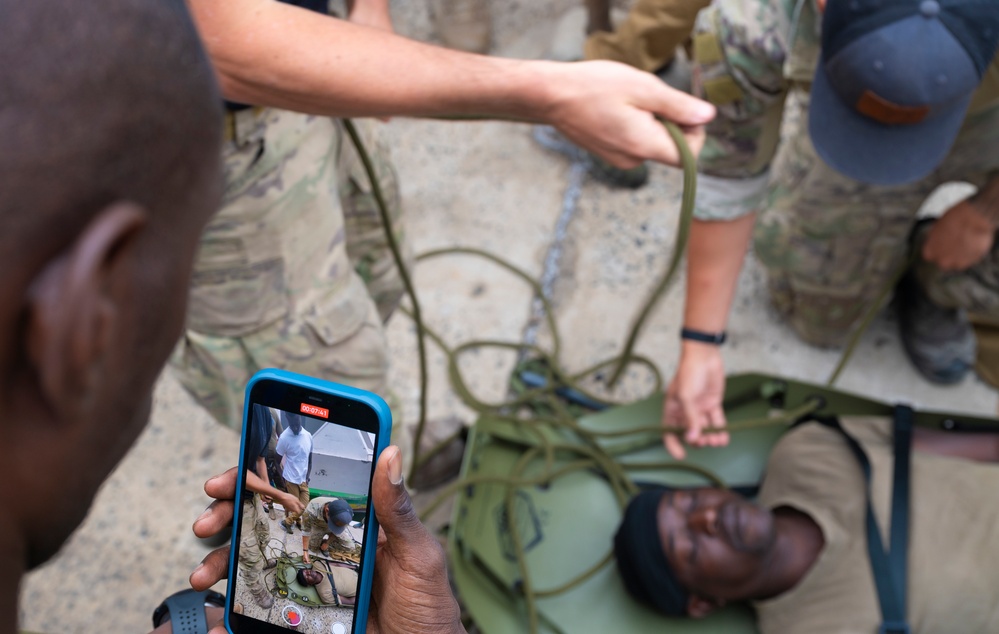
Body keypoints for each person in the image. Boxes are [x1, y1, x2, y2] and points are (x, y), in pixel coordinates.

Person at [172, 0, 717, 464]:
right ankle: (325, 533)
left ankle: (393, 449)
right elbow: (221, 41)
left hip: (330, 60)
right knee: (311, 386)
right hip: (210, 136)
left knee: (373, 281)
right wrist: (546, 94)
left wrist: (369, 8)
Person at [664, 0, 999, 459]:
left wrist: (985, 211)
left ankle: (937, 286)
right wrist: (700, 344)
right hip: (855, 133)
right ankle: (909, 256)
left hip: (989, 126)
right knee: (818, 317)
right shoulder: (755, 22)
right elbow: (728, 175)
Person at [614, 415, 999, 631]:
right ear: (702, 603)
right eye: (693, 547)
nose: (708, 517)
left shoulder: (806, 452)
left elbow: (981, 448)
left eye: (693, 501)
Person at [276, 411, 314, 533]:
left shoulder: (308, 436)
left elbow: (310, 459)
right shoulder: (284, 437)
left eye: (296, 423)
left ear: (300, 418)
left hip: (303, 479)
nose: (295, 427)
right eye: (292, 425)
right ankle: (297, 521)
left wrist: (307, 477)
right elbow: (276, 461)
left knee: (304, 506)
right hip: (290, 479)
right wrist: (282, 477)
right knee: (296, 506)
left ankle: (288, 522)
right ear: (287, 419)